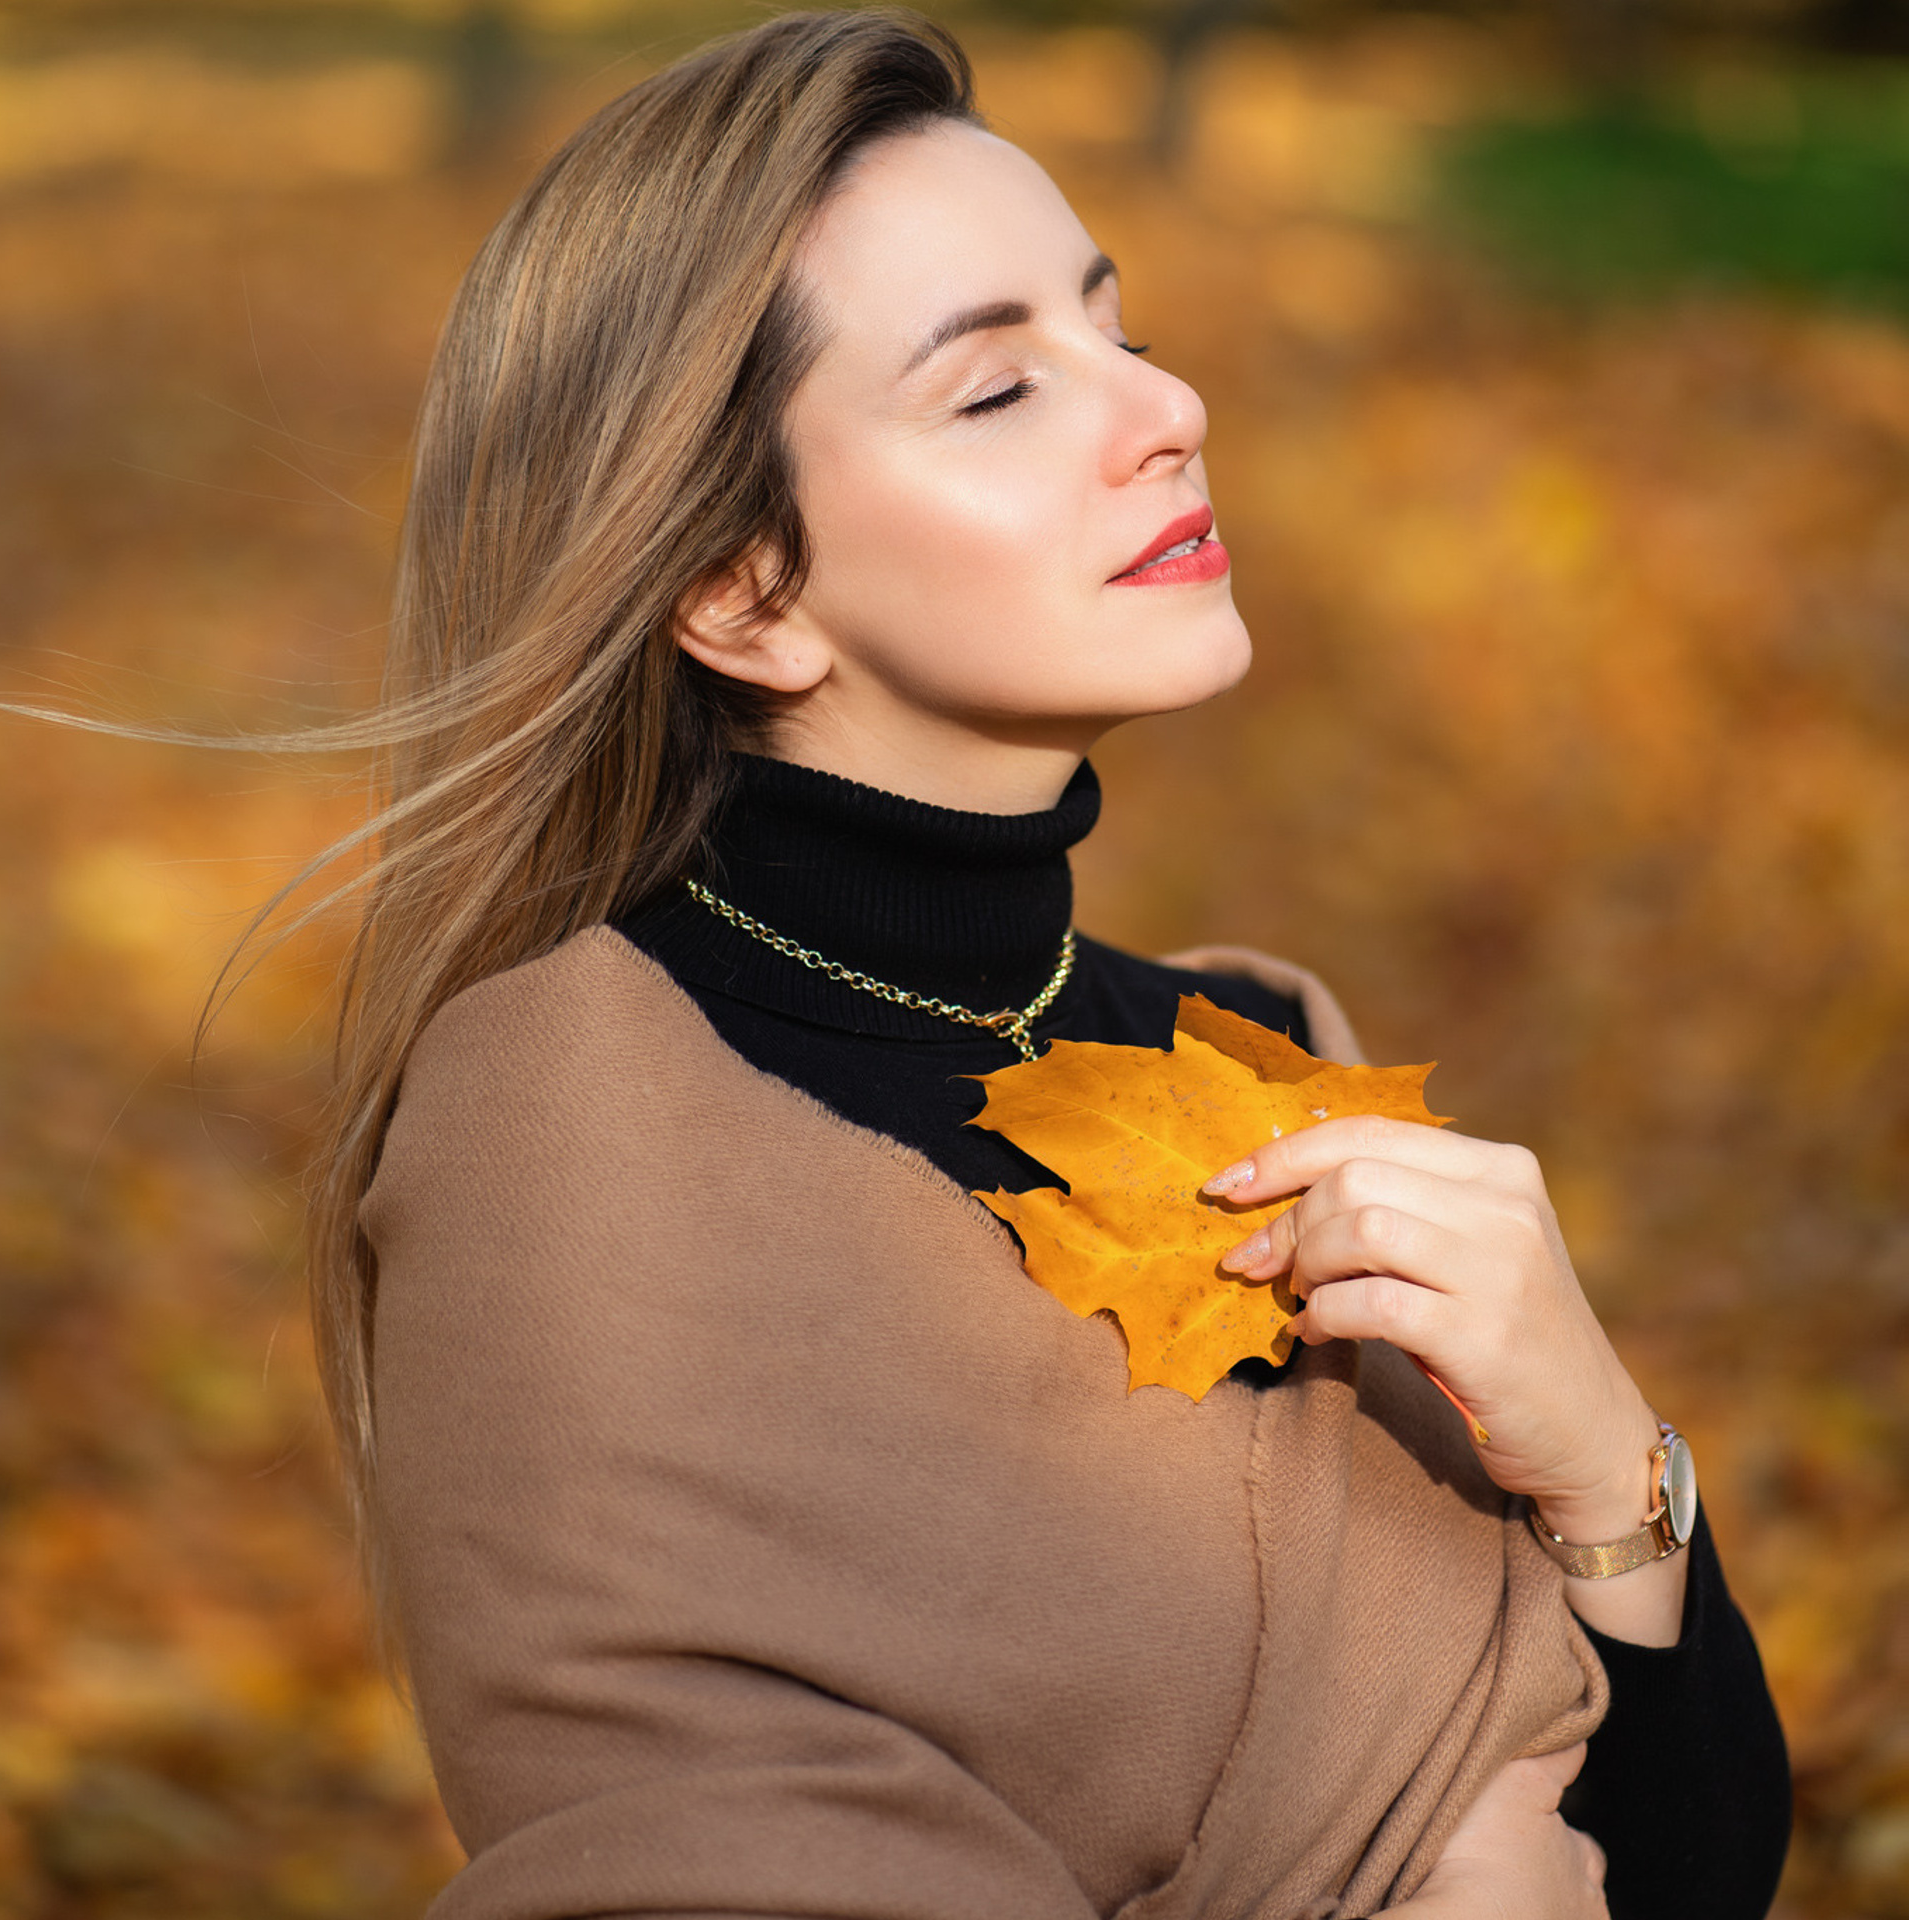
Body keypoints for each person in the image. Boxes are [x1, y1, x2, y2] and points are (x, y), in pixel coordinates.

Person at [331, 12, 1790, 1917]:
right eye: (997, 391)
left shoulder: (1254, 1050)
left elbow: (1691, 1866)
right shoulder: (573, 1138)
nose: (1163, 408)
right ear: (739, 591)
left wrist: (1615, 1474)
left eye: (1120, 324)